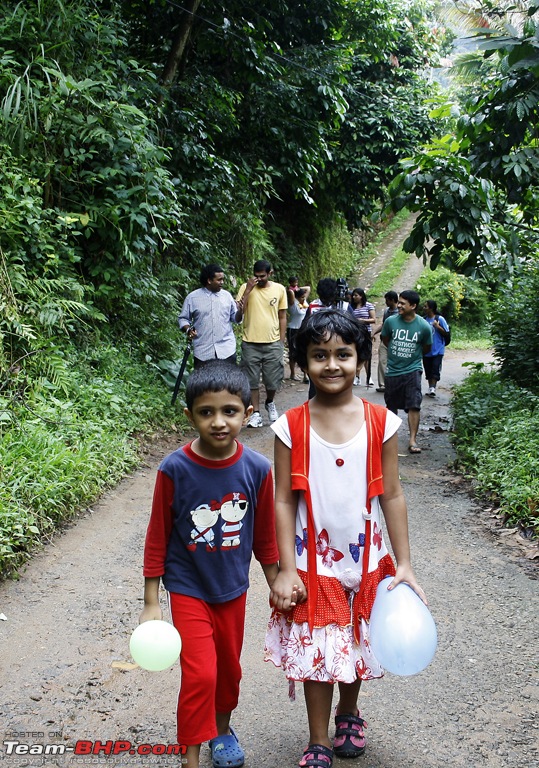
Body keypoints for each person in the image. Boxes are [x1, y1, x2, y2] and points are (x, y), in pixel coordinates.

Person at [264, 309, 426, 768]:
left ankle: (349, 714)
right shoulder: (289, 426)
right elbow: (282, 500)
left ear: (360, 359)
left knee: (352, 643)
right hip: (311, 562)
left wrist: (405, 563)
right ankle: (317, 739)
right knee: (319, 649)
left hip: (366, 558)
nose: (331, 364)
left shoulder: (382, 422)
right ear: (303, 362)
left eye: (342, 354)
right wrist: (285, 568)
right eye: (319, 356)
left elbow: (392, 494)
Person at [140, 362, 280, 768]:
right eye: (206, 412)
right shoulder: (175, 469)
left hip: (233, 588)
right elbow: (157, 536)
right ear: (190, 415)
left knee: (229, 673)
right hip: (187, 587)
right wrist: (152, 601)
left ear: (248, 413)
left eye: (230, 411)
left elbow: (265, 536)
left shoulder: (256, 469)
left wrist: (277, 581)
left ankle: (221, 729)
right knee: (200, 673)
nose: (218, 422)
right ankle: (191, 755)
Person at [236, 260, 288, 428]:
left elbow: (282, 316)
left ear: (270, 273)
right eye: (256, 276)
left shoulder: (279, 289)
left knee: (272, 379)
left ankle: (270, 402)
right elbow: (239, 313)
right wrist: (249, 289)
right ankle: (256, 413)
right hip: (250, 341)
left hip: (273, 342)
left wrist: (281, 340)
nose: (259, 279)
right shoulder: (246, 287)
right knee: (252, 380)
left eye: (262, 276)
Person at [381, 290, 432, 454]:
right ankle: (390, 439)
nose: (399, 305)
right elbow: (386, 340)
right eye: (399, 302)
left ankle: (412, 440)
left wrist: (412, 357)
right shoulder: (390, 322)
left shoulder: (423, 326)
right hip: (393, 370)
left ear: (413, 306)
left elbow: (426, 347)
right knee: (391, 405)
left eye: (403, 303)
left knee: (414, 405)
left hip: (413, 369)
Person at [178, 264, 241, 368]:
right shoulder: (192, 298)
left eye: (223, 279)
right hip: (203, 352)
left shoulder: (227, 296)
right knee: (205, 384)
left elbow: (236, 319)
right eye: (219, 280)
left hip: (227, 350)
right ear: (209, 280)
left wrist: (241, 311)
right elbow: (183, 318)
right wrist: (188, 330)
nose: (222, 282)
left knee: (227, 383)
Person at [347, 288, 376, 386]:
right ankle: (357, 377)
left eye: (356, 295)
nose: (354, 297)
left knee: (367, 355)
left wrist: (362, 320)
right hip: (355, 333)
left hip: (366, 332)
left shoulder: (368, 305)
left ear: (361, 296)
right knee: (357, 354)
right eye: (353, 295)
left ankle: (369, 377)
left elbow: (373, 319)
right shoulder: (351, 307)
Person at [422, 300, 450, 397]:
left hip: (438, 349)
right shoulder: (423, 320)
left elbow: (446, 332)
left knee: (435, 368)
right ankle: (430, 388)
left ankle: (433, 388)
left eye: (425, 306)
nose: (424, 308)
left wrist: (437, 326)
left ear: (431, 308)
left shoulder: (440, 319)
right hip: (426, 350)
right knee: (428, 369)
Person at [372, 291, 399, 392]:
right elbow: (384, 324)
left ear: (392, 300)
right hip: (384, 340)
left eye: (387, 300)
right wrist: (374, 332)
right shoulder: (387, 311)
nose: (386, 302)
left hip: (395, 341)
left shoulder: (399, 312)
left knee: (394, 363)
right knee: (382, 361)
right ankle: (383, 385)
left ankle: (394, 384)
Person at [287, 287, 309, 381]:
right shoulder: (293, 303)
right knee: (293, 352)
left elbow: (308, 288)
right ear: (297, 297)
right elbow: (290, 292)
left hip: (302, 329)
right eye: (302, 297)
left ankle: (305, 375)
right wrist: (293, 289)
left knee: (304, 351)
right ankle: (292, 374)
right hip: (293, 329)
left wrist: (298, 288)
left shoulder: (303, 303)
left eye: (304, 297)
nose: (304, 299)